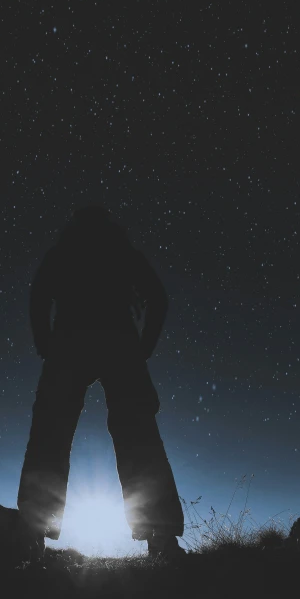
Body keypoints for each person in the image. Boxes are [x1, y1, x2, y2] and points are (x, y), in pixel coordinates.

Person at [17, 206, 184, 564]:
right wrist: (144, 348)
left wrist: (45, 341)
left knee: (51, 435)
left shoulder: (64, 252)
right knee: (138, 436)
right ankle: (162, 537)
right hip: (118, 342)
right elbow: (157, 298)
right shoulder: (123, 252)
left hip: (71, 341)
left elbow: (39, 296)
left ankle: (33, 533)